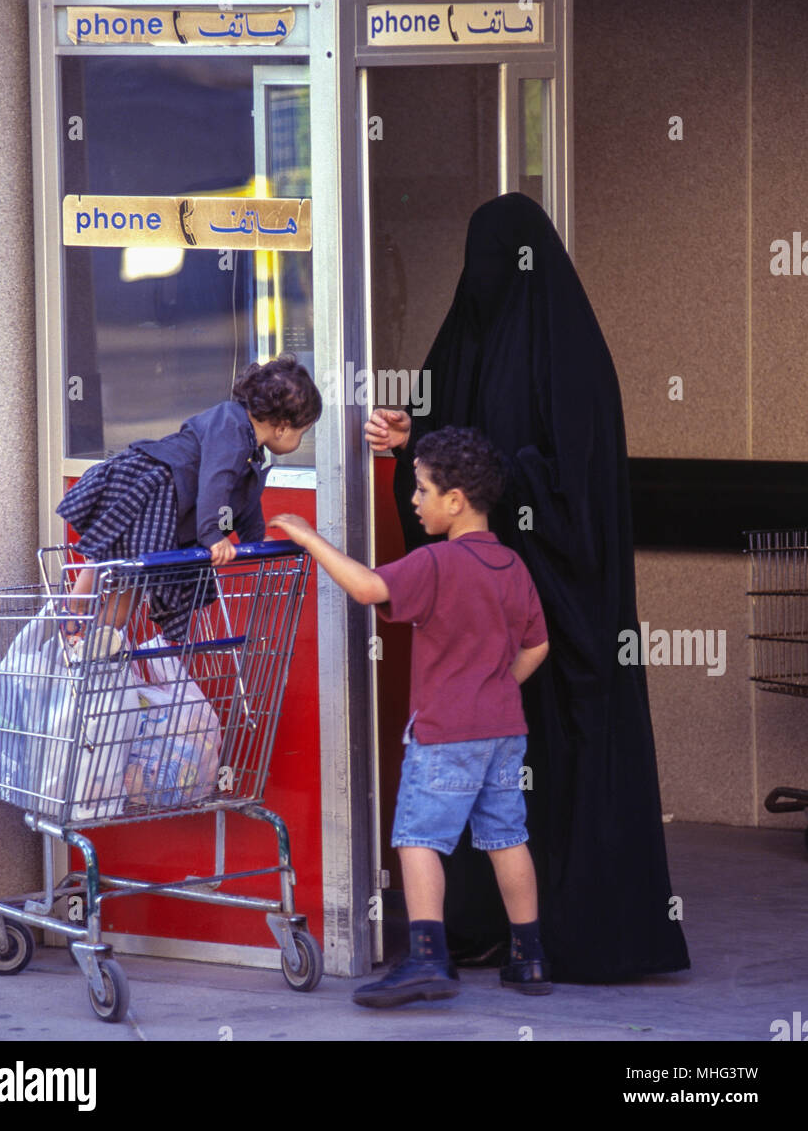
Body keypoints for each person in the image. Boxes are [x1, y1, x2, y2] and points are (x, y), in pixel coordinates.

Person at [365, 192, 690, 984]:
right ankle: (495, 935)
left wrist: (497, 481)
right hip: (491, 627)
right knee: (498, 797)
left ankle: (576, 933)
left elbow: (574, 490)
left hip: (564, 615)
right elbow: (445, 466)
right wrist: (412, 440)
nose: (483, 276)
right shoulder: (465, 342)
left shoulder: (570, 360)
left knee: (537, 767)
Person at [269, 425, 551, 1009]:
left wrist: (308, 536)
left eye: (422, 490)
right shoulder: (512, 566)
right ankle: (529, 956)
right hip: (503, 732)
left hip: (446, 732)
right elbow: (537, 646)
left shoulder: (438, 563)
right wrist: (495, 685)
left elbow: (369, 588)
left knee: (418, 838)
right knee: (507, 837)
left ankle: (427, 960)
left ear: (456, 501)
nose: (415, 501)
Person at [58, 354, 321, 643]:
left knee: (132, 580)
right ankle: (73, 616)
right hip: (153, 488)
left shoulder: (250, 450)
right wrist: (211, 534)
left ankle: (97, 645)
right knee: (109, 558)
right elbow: (215, 481)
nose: (299, 441)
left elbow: (243, 498)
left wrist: (254, 539)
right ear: (283, 427)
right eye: (302, 433)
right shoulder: (231, 426)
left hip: (168, 504)